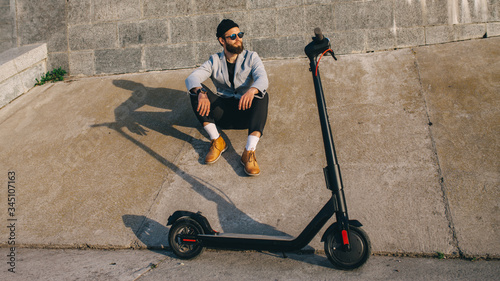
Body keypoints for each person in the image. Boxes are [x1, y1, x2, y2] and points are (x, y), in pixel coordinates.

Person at [185, 19, 269, 176]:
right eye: (233, 36)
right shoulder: (214, 60)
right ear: (222, 40)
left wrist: (252, 91)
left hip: (246, 113)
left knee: (262, 94)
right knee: (195, 91)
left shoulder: (252, 57)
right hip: (222, 115)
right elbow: (191, 78)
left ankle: (249, 152)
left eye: (240, 34)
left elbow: (263, 79)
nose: (238, 39)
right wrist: (200, 92)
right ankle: (217, 140)